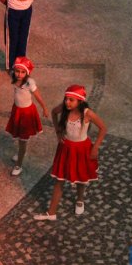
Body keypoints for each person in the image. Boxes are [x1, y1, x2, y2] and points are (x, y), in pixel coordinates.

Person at [34, 85, 107, 220]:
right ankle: (51, 213)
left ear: (80, 101)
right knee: (59, 180)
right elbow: (54, 113)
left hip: (81, 150)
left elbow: (103, 128)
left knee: (81, 178)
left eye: (71, 100)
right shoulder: (64, 109)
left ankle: (80, 199)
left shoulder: (87, 113)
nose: (67, 102)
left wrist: (95, 147)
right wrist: (58, 131)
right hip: (66, 148)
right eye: (66, 99)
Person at [5, 57, 48, 176]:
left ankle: (19, 165)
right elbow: (8, 70)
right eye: (17, 71)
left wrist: (44, 107)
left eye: (23, 72)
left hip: (27, 114)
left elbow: (37, 96)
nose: (19, 74)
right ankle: (20, 153)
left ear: (27, 72)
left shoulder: (30, 83)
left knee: (23, 140)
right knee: (18, 135)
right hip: (17, 110)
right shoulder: (14, 77)